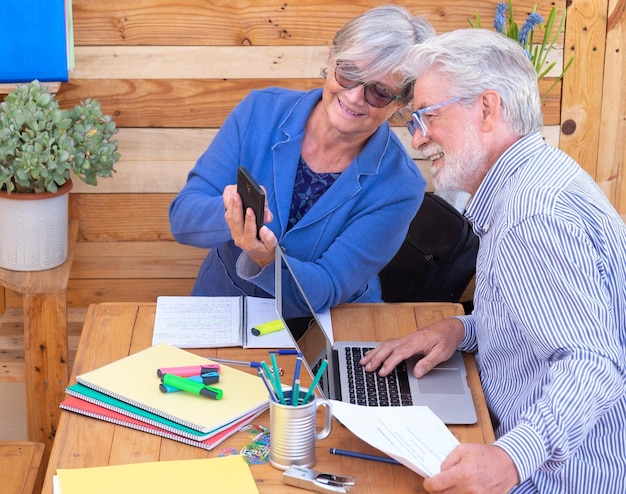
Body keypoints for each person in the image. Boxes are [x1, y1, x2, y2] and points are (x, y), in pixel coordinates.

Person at [361, 28, 626, 493]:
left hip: (558, 477)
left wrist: (510, 458)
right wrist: (461, 329)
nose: (418, 140)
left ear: (486, 109)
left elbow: (593, 362)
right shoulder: (539, 177)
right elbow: (544, 320)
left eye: (426, 116)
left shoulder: (531, 216)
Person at [169, 5, 434, 317]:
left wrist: (265, 257)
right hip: (225, 307)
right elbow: (182, 219)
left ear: (401, 103)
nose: (353, 97)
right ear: (331, 57)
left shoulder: (400, 186)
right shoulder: (259, 110)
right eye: (348, 72)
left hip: (321, 327)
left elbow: (328, 285)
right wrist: (233, 215)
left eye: (378, 92)